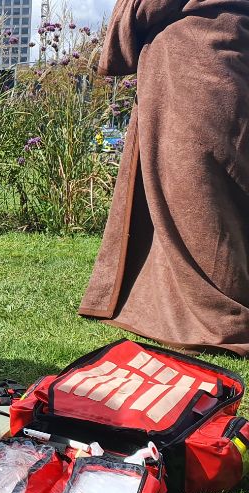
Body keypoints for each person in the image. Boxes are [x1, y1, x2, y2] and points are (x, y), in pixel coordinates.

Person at [78, 0, 249, 355]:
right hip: (221, 55)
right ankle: (175, 301)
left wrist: (126, 18)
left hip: (198, 63)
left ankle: (218, 314)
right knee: (206, 190)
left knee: (197, 193)